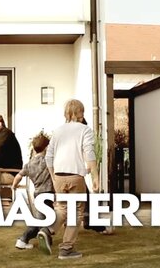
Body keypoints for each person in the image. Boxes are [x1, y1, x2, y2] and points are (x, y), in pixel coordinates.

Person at [41, 99, 99, 260]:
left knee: (62, 209)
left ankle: (47, 230)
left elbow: (49, 156)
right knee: (76, 212)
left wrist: (53, 176)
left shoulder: (58, 131)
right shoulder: (85, 130)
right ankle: (66, 249)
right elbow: (89, 153)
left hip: (59, 176)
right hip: (75, 177)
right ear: (80, 112)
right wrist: (95, 176)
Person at [12, 132, 54, 250]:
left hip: (37, 193)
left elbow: (19, 176)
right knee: (41, 221)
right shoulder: (47, 161)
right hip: (48, 193)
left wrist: (14, 185)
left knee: (45, 219)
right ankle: (23, 239)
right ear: (46, 147)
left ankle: (45, 237)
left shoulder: (29, 164)